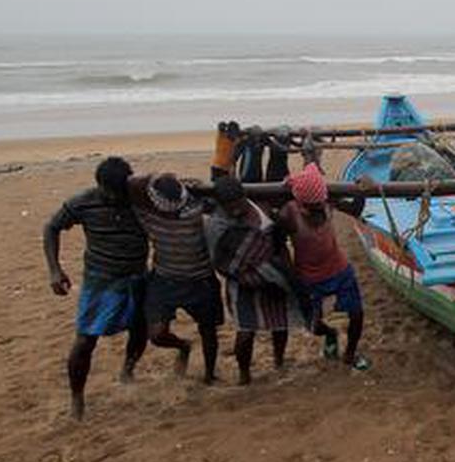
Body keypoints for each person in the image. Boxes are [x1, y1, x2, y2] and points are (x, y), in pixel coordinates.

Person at [43, 157, 150, 419]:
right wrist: (55, 269)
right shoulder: (84, 202)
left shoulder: (140, 199)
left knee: (140, 329)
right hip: (100, 280)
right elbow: (52, 227)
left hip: (137, 277)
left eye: (120, 190)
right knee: (85, 340)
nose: (115, 197)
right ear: (99, 185)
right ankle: (77, 398)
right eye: (109, 191)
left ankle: (128, 369)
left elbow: (176, 194)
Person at [206, 175, 306, 385]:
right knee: (245, 332)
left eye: (237, 203)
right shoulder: (217, 225)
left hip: (274, 277)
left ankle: (279, 360)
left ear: (244, 197)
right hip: (243, 282)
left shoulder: (262, 206)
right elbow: (222, 261)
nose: (234, 210)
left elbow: (279, 240)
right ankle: (244, 374)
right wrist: (248, 275)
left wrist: (284, 273)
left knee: (280, 324)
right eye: (228, 206)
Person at [128, 172, 223, 384]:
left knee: (208, 331)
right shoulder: (148, 213)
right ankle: (183, 346)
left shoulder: (194, 209)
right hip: (165, 278)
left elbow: (133, 185)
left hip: (201, 279)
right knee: (157, 334)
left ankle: (210, 374)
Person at [277, 163, 371, 371]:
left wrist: (361, 191)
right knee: (312, 324)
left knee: (356, 314)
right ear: (300, 204)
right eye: (314, 208)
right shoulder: (289, 214)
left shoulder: (328, 201)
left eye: (322, 205)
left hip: (339, 269)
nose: (319, 209)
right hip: (309, 277)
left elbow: (355, 209)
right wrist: (291, 273)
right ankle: (330, 334)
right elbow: (278, 243)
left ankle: (350, 353)